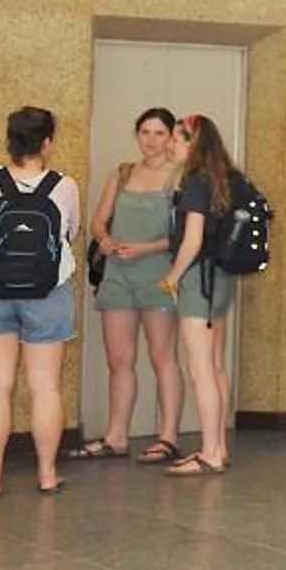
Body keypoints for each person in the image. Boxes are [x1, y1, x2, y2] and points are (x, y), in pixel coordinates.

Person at [0, 107, 81, 498]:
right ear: (47, 142)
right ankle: (46, 474)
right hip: (48, 293)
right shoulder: (65, 187)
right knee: (45, 387)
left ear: (9, 140)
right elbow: (70, 232)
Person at [84, 106, 184, 462]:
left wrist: (146, 248)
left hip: (159, 276)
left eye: (159, 133)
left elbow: (184, 235)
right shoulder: (123, 173)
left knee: (162, 356)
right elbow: (98, 221)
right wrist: (106, 240)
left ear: (171, 137)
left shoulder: (180, 177)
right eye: (145, 132)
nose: (151, 140)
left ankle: (168, 435)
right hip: (118, 275)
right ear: (136, 135)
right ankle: (116, 435)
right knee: (119, 360)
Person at [158, 113, 244, 478]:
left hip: (199, 281)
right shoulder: (226, 178)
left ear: (192, 144)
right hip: (221, 280)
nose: (168, 146)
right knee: (217, 367)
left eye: (175, 140)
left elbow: (192, 240)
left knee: (200, 369)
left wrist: (172, 278)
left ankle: (209, 452)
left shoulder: (196, 182)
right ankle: (218, 447)